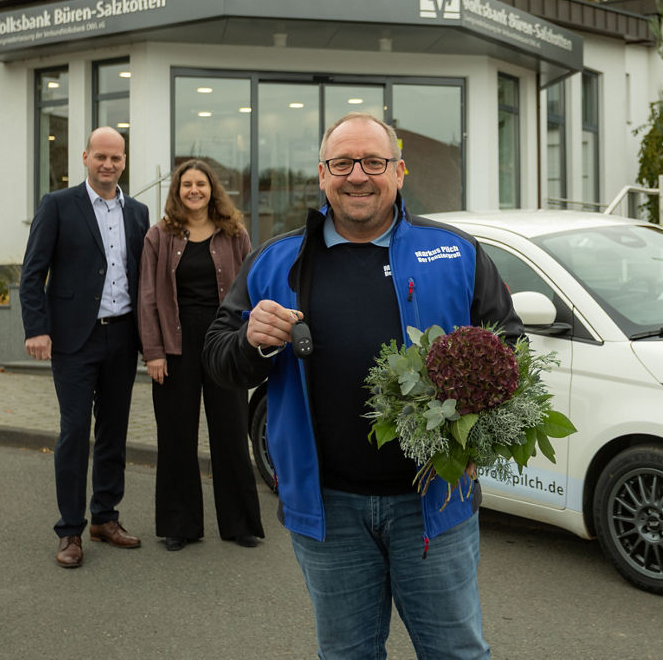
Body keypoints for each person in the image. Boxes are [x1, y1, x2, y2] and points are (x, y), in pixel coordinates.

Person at [204, 112, 522, 660]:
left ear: (399, 172)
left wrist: (480, 445)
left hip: (434, 503)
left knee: (456, 653)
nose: (358, 175)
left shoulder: (455, 253)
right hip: (329, 511)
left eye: (373, 162)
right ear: (322, 175)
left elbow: (508, 350)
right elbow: (217, 354)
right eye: (343, 163)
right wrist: (252, 340)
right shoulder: (277, 260)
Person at [20, 126, 150, 568]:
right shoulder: (57, 205)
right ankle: (70, 531)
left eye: (116, 158)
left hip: (122, 336)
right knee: (76, 432)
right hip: (75, 339)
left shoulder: (138, 212)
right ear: (85, 158)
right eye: (101, 157)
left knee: (113, 431)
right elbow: (32, 272)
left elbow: (142, 278)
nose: (108, 164)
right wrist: (37, 329)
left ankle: (105, 518)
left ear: (124, 161)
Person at [138, 159, 264, 551]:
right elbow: (147, 297)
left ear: (213, 190)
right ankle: (180, 524)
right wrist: (153, 352)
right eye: (186, 184)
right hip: (176, 347)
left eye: (201, 184)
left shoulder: (234, 233)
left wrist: (247, 343)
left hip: (224, 343)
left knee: (229, 431)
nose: (194, 190)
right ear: (176, 191)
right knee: (176, 435)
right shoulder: (159, 236)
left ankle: (240, 523)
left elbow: (251, 288)